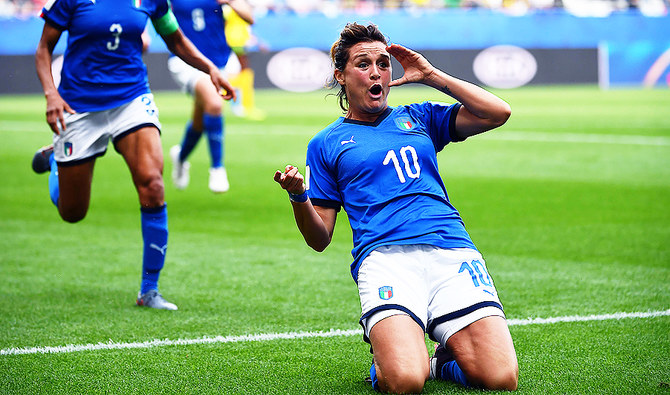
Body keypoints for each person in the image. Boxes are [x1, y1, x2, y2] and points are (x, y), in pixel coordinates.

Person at [273, 22, 518, 393]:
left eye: (383, 63)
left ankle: (439, 362)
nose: (376, 72)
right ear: (340, 75)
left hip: (451, 250)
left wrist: (432, 76)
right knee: (404, 382)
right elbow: (319, 238)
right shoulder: (326, 143)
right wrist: (298, 197)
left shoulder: (419, 117)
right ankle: (389, 357)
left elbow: (497, 112)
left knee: (500, 377)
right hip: (386, 260)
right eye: (363, 63)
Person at [32, 0, 235, 310]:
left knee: (153, 185)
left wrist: (209, 69)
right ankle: (57, 162)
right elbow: (44, 47)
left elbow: (175, 39)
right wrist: (51, 95)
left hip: (132, 99)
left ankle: (149, 290)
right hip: (78, 106)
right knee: (72, 212)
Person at [168, 0, 254, 193]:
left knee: (202, 117)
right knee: (214, 105)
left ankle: (181, 156)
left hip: (221, 61)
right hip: (187, 62)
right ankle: (217, 168)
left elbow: (250, 18)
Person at [223, 1, 266, 120]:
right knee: (241, 72)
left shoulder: (236, 6)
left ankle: (242, 105)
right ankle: (240, 105)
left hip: (237, 42)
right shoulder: (231, 7)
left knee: (242, 72)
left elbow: (246, 26)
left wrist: (256, 40)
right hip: (234, 42)